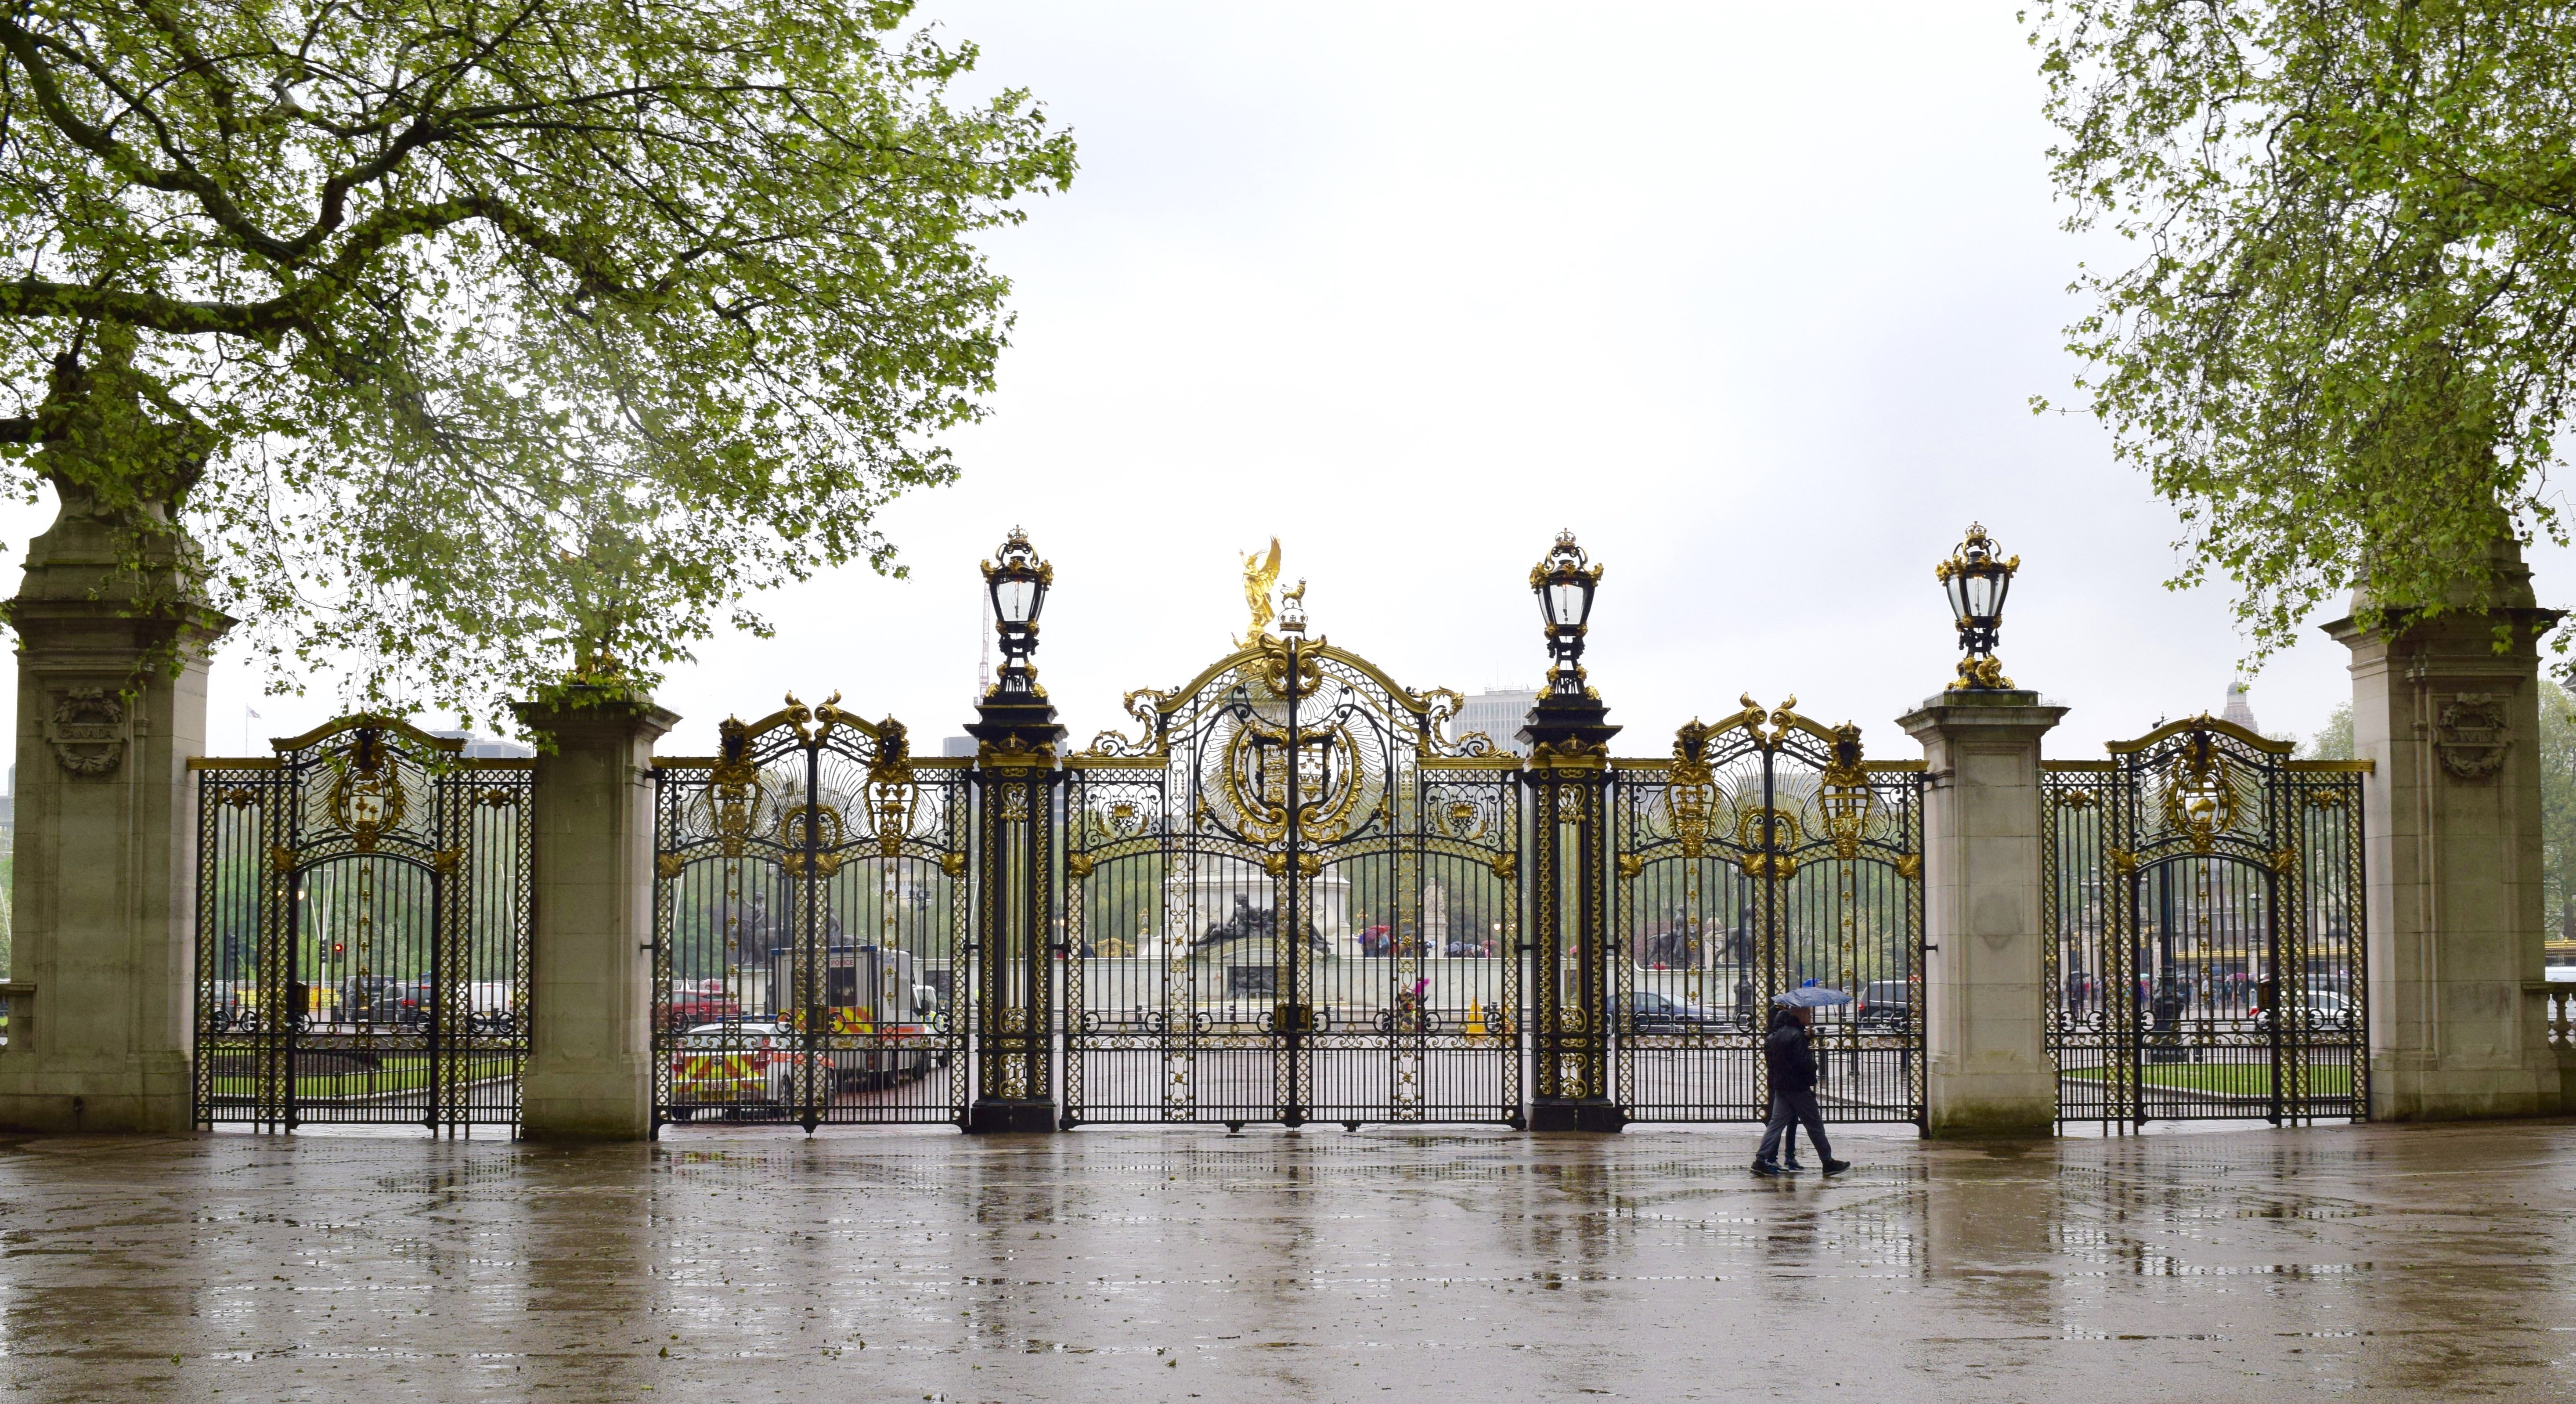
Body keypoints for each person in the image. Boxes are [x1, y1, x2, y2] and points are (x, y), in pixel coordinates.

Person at [1751, 1001, 1850, 1177]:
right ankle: (1828, 1162)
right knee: (1815, 1124)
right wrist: (1814, 1065)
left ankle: (1760, 1161)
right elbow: (1802, 1062)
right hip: (1798, 1087)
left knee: (1776, 1124)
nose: (1810, 1018)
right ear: (1801, 1015)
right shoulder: (1796, 1035)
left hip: (1782, 1087)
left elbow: (1783, 1057)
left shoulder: (1777, 1035)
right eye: (1809, 1015)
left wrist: (1806, 1038)